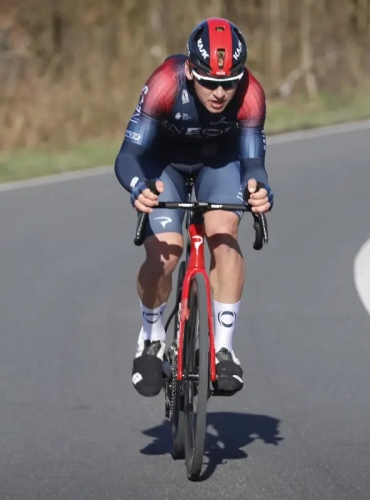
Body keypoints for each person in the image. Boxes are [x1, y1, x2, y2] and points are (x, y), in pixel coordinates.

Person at [114, 18, 274, 398]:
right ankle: (151, 337)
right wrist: (139, 187)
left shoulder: (251, 94)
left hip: (219, 164)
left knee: (224, 235)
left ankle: (223, 348)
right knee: (167, 253)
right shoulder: (166, 83)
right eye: (209, 82)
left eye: (229, 82)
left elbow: (254, 165)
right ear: (190, 71)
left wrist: (260, 190)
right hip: (162, 164)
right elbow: (129, 155)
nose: (220, 92)